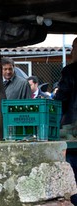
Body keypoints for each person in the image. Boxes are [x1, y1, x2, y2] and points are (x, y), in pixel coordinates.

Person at [54, 37, 77, 205]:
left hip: (73, 132)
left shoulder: (71, 71)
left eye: (73, 48)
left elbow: (60, 100)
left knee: (74, 176)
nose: (70, 53)